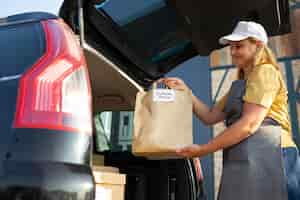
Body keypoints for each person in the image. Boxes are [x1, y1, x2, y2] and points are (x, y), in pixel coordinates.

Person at [160, 21, 300, 200]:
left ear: (258, 46)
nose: (232, 52)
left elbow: (249, 124)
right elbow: (210, 117)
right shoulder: (239, 85)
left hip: (272, 156)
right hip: (245, 157)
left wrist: (203, 149)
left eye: (239, 46)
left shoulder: (265, 72)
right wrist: (187, 92)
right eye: (231, 47)